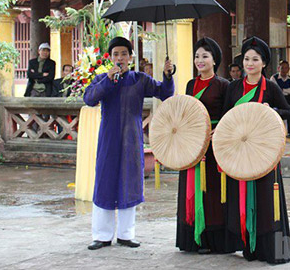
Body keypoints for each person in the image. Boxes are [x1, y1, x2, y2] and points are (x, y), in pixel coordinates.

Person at [83, 37, 174, 251]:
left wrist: (168, 76)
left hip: (132, 140)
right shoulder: (102, 79)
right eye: (115, 54)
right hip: (108, 139)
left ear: (131, 57)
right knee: (105, 182)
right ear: (110, 58)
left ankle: (126, 234)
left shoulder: (140, 79)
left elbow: (165, 93)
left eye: (124, 54)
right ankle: (102, 235)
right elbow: (89, 99)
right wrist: (107, 79)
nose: (120, 58)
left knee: (129, 182)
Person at [223, 36, 290, 264]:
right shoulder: (233, 88)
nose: (250, 63)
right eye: (246, 59)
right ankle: (247, 247)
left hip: (264, 152)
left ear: (264, 64)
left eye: (255, 59)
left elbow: (288, 111)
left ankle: (274, 250)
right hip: (241, 152)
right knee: (240, 197)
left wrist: (270, 109)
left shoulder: (270, 87)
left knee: (267, 201)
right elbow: (226, 119)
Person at [176, 37, 243, 254]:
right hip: (192, 145)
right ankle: (193, 238)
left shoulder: (224, 85)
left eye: (205, 56)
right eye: (197, 56)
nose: (200, 60)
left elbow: (229, 115)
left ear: (215, 60)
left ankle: (215, 240)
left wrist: (219, 131)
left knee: (213, 192)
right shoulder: (190, 84)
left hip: (214, 147)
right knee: (191, 190)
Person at [270, 60, 290, 136]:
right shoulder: (274, 78)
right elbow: (276, 91)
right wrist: (288, 91)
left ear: (288, 69)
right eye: (282, 68)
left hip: (288, 98)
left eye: (286, 68)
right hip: (277, 99)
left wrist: (284, 90)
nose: (284, 70)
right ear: (278, 68)